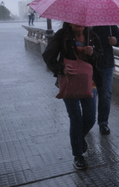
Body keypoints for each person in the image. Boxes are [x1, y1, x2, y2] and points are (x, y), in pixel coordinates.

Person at [42, 22, 103, 170]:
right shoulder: (62, 36)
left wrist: (92, 53)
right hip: (69, 82)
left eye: (82, 21)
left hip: (90, 82)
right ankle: (78, 155)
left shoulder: (92, 36)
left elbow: (101, 55)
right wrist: (60, 68)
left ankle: (78, 138)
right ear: (69, 21)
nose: (80, 24)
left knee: (90, 117)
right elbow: (47, 55)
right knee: (75, 117)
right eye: (76, 21)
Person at [91, 25, 119, 135]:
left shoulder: (109, 23)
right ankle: (88, 121)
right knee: (89, 95)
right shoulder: (85, 24)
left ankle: (103, 123)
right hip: (89, 64)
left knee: (105, 95)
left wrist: (115, 41)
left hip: (106, 63)